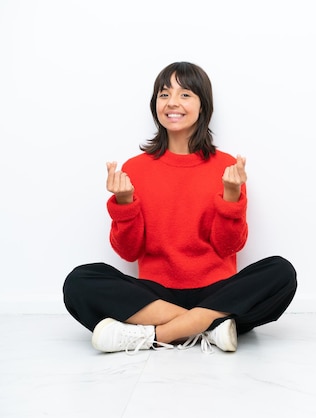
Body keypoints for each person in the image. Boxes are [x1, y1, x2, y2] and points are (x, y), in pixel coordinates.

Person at [63, 62, 297, 354]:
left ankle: (153, 335)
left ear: (203, 106)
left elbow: (228, 247)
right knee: (80, 282)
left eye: (185, 94)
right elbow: (129, 252)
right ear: (155, 105)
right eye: (164, 94)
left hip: (217, 290)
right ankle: (210, 327)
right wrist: (124, 204)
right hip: (156, 295)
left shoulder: (227, 167)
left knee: (281, 273)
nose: (172, 102)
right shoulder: (135, 168)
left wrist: (231, 195)